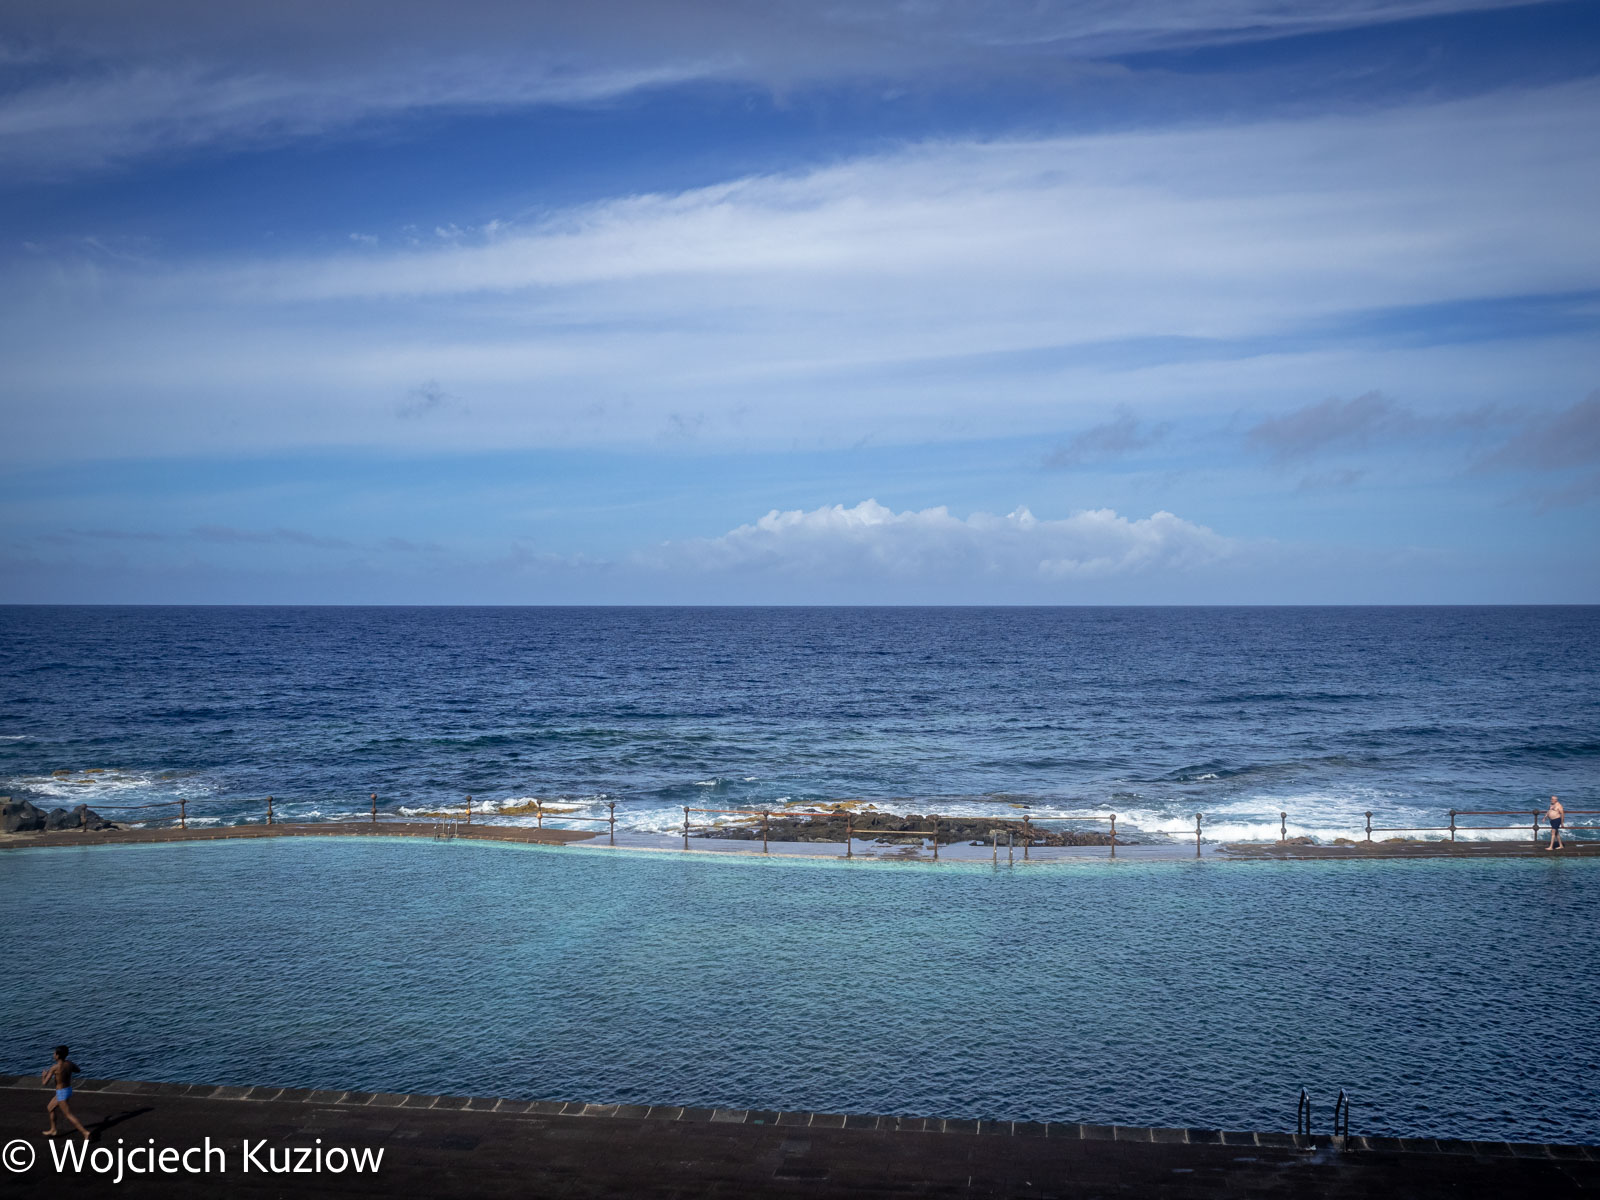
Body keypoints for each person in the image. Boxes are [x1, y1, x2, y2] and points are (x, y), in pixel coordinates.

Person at [40, 1045, 89, 1140]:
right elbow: (78, 1070)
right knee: (50, 1108)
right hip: (68, 1090)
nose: (53, 1055)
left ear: (58, 1056)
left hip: (61, 1093)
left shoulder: (54, 1067)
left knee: (68, 1115)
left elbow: (44, 1083)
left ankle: (85, 1132)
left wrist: (44, 1075)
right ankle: (53, 1129)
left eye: (54, 1053)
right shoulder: (69, 1064)